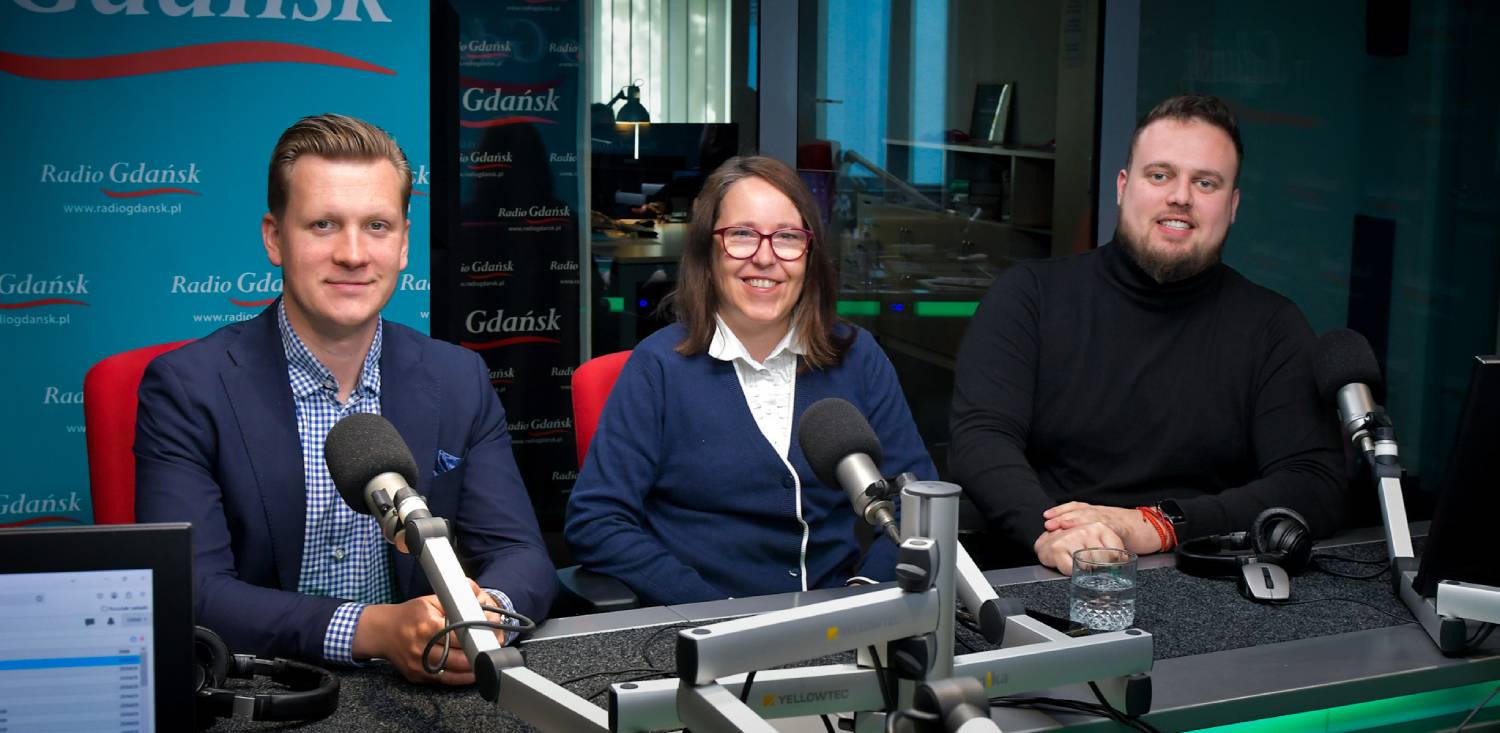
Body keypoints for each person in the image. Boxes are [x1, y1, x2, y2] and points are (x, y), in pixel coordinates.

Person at [134, 114, 556, 685]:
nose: (354, 254)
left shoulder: (459, 378)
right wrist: (375, 630)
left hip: (431, 684)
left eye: (377, 226)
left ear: (405, 243)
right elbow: (194, 593)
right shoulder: (188, 388)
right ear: (274, 237)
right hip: (266, 690)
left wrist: (481, 618)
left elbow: (522, 554)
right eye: (324, 224)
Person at [948, 95, 1346, 574]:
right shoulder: (1030, 297)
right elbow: (980, 439)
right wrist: (1055, 533)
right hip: (1045, 574)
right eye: (1159, 175)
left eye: (1206, 182)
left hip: (1205, 582)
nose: (1180, 196)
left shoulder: (1272, 327)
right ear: (1122, 187)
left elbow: (1314, 482)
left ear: (1233, 205)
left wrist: (1159, 525)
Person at [564, 155, 936, 605]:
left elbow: (918, 503)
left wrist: (865, 598)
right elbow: (597, 521)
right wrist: (714, 615)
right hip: (703, 633)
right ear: (708, 251)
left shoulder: (857, 357)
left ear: (809, 253)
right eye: (741, 235)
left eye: (787, 237)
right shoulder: (657, 368)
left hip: (839, 630)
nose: (765, 258)